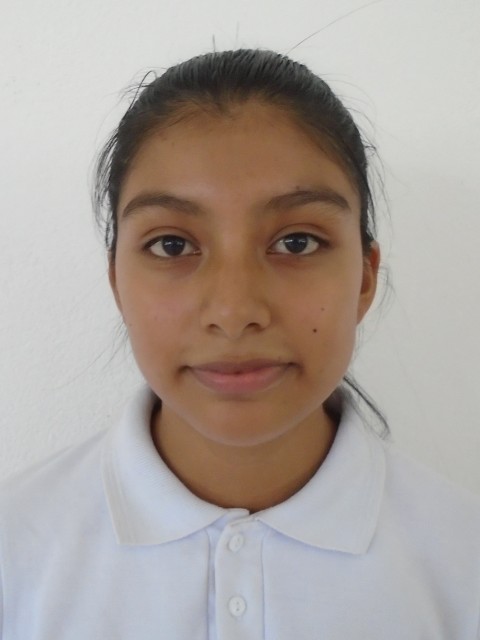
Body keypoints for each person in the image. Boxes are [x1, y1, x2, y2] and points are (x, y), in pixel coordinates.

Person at [1, 48, 479, 639]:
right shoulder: (15, 552)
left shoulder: (464, 565)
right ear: (117, 283)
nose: (234, 313)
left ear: (364, 277)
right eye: (173, 245)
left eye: (297, 242)